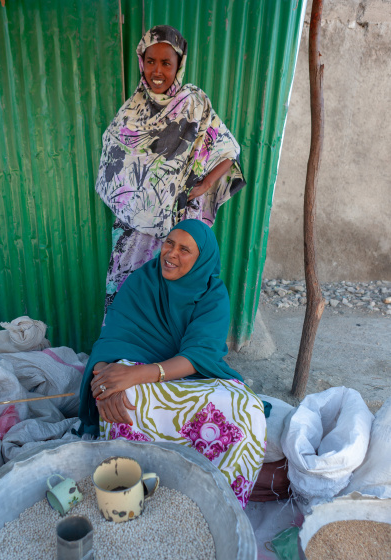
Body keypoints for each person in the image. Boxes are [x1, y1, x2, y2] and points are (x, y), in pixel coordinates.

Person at [78, 219, 266, 509]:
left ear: (202, 258)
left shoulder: (212, 295)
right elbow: (111, 338)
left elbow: (199, 356)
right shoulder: (143, 281)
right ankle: (136, 486)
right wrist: (104, 378)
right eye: (169, 243)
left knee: (247, 408)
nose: (171, 254)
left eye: (184, 249)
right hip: (141, 375)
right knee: (121, 397)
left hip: (192, 379)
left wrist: (136, 374)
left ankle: (219, 500)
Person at [96, 25, 246, 315]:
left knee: (172, 296)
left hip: (176, 231)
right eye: (151, 61)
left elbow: (228, 150)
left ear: (179, 65)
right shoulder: (131, 109)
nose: (157, 71)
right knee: (129, 292)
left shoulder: (194, 103)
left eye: (166, 63)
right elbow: (112, 161)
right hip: (133, 232)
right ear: (142, 62)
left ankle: (168, 359)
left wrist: (203, 186)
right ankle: (122, 356)